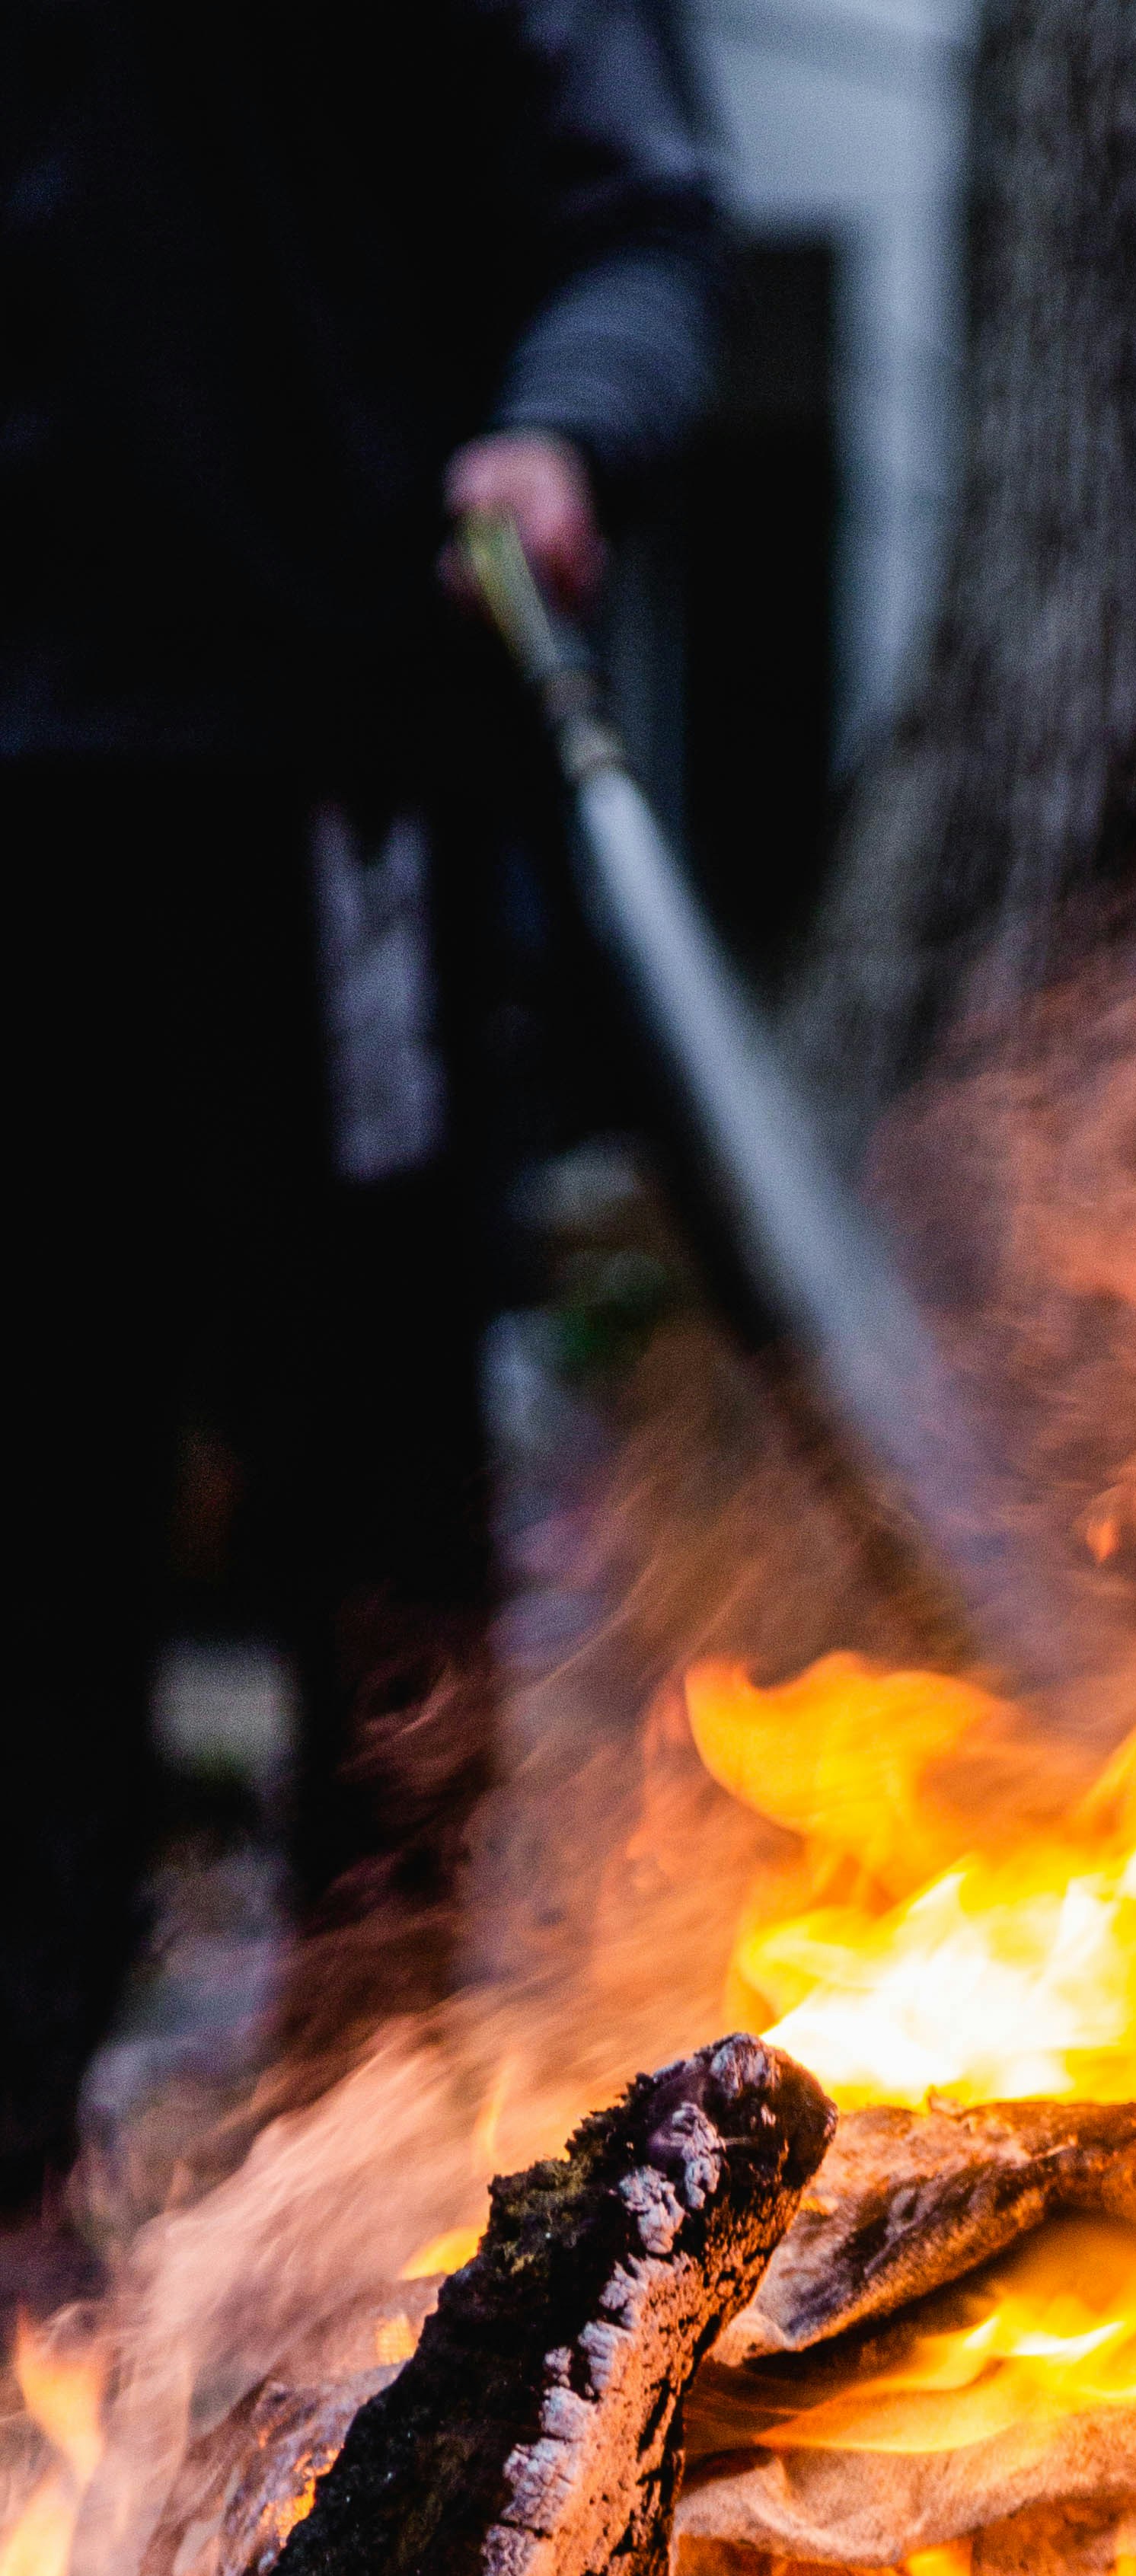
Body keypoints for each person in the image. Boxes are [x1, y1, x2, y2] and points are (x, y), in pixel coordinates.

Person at [0, 0, 721, 2258]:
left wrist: (558, 432)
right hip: (23, 795)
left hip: (329, 766)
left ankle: (362, 2150)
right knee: (28, 1479)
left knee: (370, 1474)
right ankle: (18, 2154)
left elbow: (634, 226)